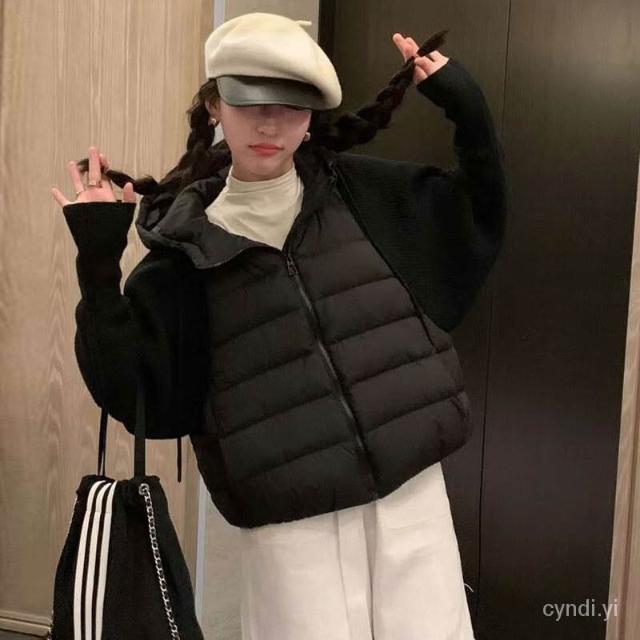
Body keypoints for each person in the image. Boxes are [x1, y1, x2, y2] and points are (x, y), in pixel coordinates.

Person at [51, 12, 507, 640]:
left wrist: (466, 105)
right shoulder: (185, 250)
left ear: (311, 114)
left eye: (291, 105)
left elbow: (478, 212)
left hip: (411, 500)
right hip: (292, 528)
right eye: (249, 102)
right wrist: (99, 258)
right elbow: (135, 391)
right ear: (215, 105)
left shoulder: (365, 197)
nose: (269, 124)